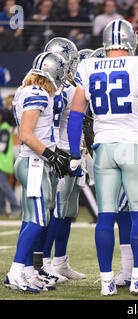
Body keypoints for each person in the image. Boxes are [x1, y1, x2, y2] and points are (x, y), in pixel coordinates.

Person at [67, 19, 138, 296]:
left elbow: (76, 114)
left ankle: (106, 282)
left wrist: (75, 153)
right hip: (133, 145)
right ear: (130, 40)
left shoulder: (88, 66)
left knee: (105, 217)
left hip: (103, 148)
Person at [3, 51, 70, 292]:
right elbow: (26, 135)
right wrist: (52, 155)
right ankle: (16, 271)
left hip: (35, 161)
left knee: (34, 218)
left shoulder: (26, 90)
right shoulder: (37, 93)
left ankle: (28, 271)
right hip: (33, 162)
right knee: (38, 219)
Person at [35, 37, 86, 282]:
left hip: (71, 151)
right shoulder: (46, 89)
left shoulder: (70, 88)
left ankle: (60, 261)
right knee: (52, 209)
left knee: (68, 210)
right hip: (57, 153)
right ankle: (44, 262)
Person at [0, 108, 21, 217]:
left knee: (5, 186)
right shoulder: (3, 128)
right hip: (2, 162)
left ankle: (16, 207)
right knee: (2, 186)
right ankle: (1, 209)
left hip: (2, 163)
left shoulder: (4, 129)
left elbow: (2, 147)